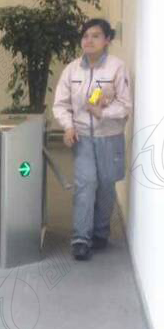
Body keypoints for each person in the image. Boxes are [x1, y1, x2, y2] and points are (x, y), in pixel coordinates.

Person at [52, 19, 131, 261]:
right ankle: (80, 238)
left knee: (106, 186)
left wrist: (102, 112)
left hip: (110, 137)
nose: (89, 40)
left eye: (96, 36)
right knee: (85, 185)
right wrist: (68, 126)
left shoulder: (117, 68)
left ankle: (100, 232)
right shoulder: (72, 70)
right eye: (85, 36)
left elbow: (125, 105)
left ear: (107, 40)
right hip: (83, 137)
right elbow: (60, 104)